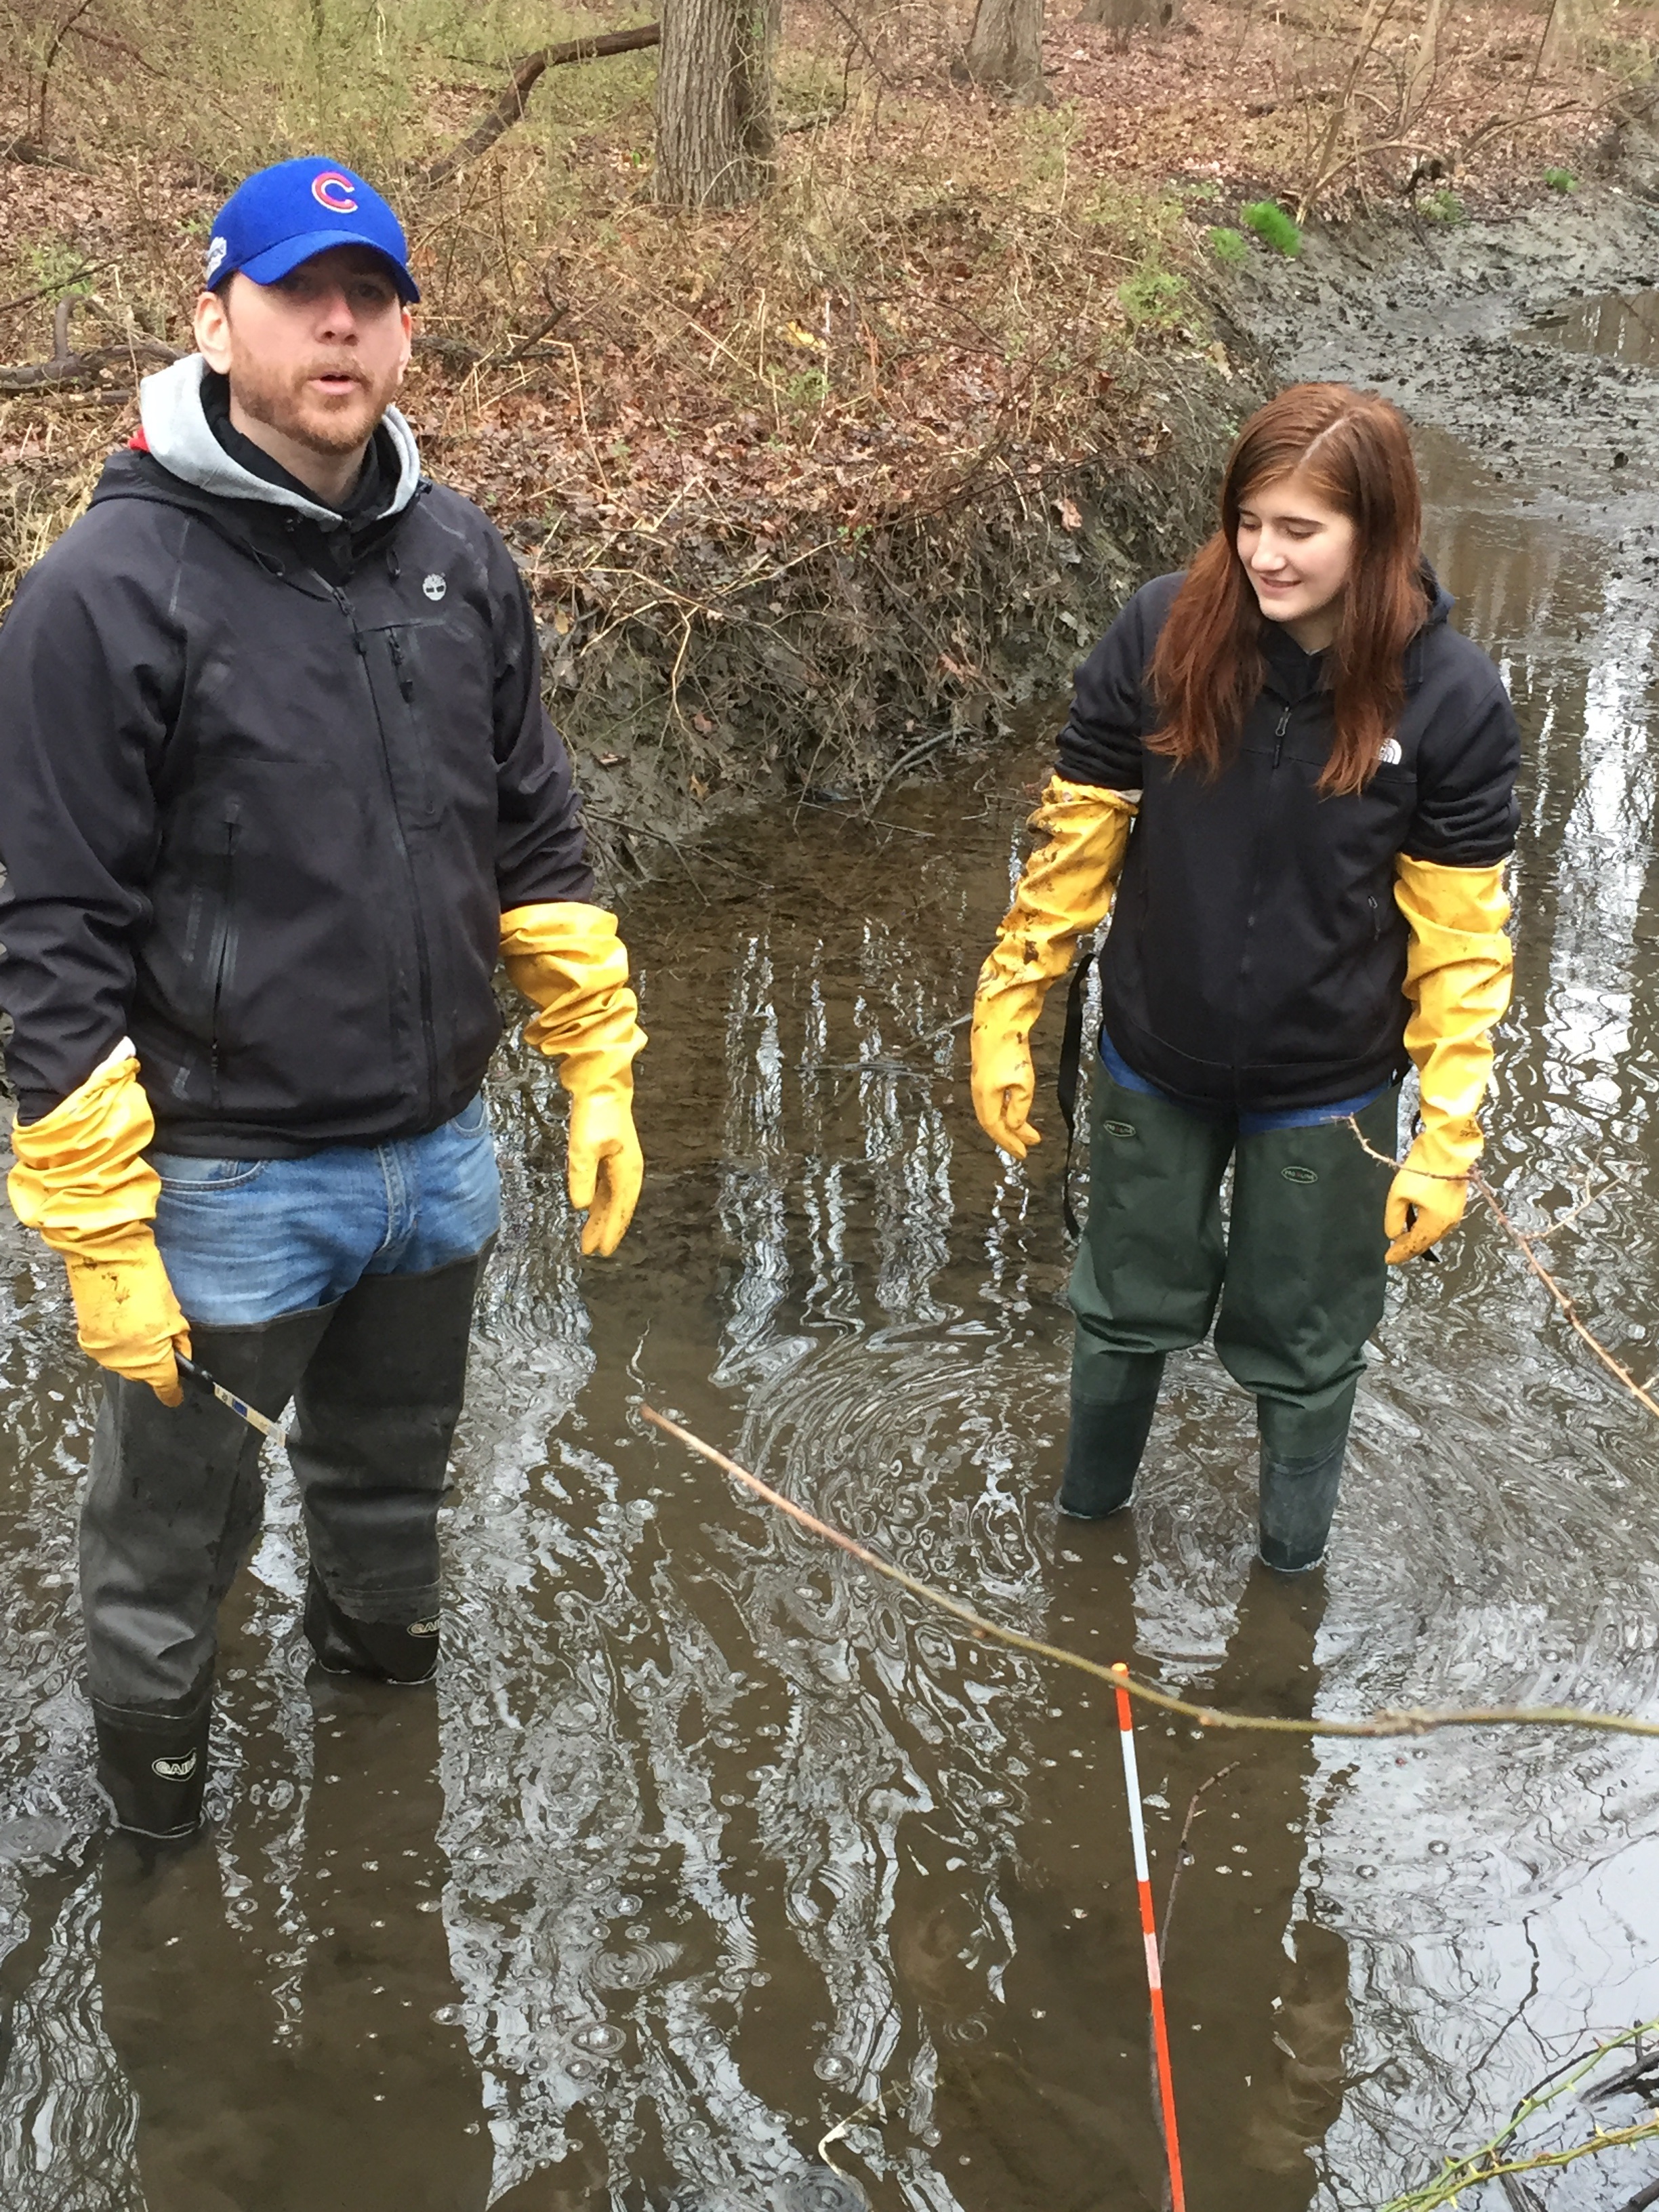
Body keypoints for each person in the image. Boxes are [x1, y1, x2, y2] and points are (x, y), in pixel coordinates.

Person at [0, 157, 645, 1843]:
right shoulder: (105, 593)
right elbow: (46, 922)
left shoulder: (456, 557)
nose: (339, 324)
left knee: (389, 1502)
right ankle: (154, 1856)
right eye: (298, 293)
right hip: (221, 1181)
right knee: (170, 1553)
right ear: (216, 320)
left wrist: (595, 1063)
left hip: (433, 1157)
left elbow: (536, 823)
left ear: (409, 332)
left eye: (370, 295)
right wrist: (100, 1228)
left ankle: (380, 1802)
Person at [970, 383, 1517, 1571]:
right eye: (1248, 522)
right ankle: (1083, 1538)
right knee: (1119, 1312)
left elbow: (1462, 943)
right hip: (1153, 1053)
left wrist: (1447, 1138)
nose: (1265, 556)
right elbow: (1078, 841)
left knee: (1309, 1346)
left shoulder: (1455, 698)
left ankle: (1289, 1580)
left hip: (1330, 1084)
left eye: (1300, 531)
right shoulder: (1165, 634)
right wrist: (1008, 1010)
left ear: (1377, 534)